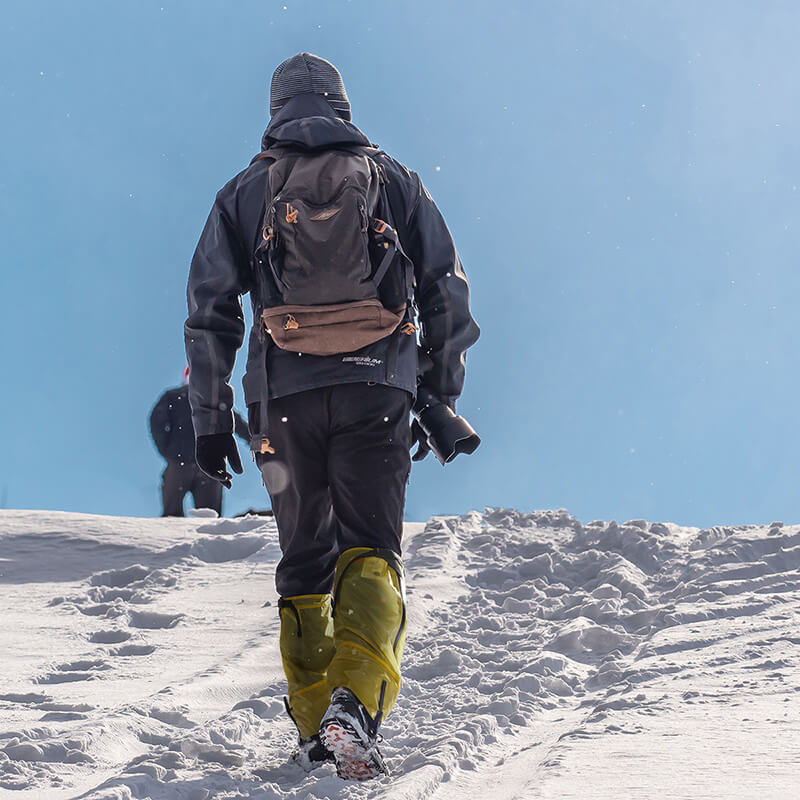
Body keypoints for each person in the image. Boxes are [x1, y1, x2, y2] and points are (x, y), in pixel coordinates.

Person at [184, 53, 479, 779]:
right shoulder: (393, 179)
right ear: (342, 105)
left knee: (304, 562)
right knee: (371, 547)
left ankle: (319, 721)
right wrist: (436, 393)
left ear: (274, 111)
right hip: (376, 389)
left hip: (281, 400)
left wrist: (211, 419)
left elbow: (210, 310)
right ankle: (356, 708)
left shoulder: (245, 191)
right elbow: (446, 292)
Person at [149, 368, 249, 517]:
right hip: (200, 464)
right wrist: (169, 451)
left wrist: (169, 451)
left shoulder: (181, 397)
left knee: (187, 516)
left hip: (192, 464)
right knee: (205, 516)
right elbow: (157, 423)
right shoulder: (180, 397)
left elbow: (157, 423)